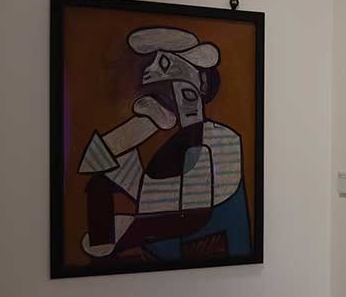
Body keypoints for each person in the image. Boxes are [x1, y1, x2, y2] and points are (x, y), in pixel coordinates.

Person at [77, 27, 251, 262]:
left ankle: (113, 237)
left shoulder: (221, 139)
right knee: (98, 176)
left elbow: (197, 209)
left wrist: (133, 229)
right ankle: (107, 238)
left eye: (165, 63)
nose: (152, 70)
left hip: (192, 212)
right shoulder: (170, 140)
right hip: (162, 204)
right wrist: (143, 126)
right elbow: (96, 165)